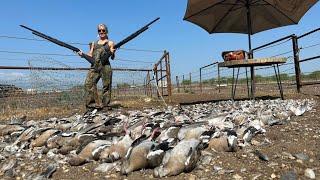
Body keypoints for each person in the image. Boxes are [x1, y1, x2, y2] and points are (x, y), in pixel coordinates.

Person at [78, 23, 116, 110]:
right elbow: (90, 55)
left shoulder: (110, 43)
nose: (101, 32)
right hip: (94, 66)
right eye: (99, 30)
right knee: (88, 84)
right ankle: (92, 105)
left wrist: (112, 52)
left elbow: (113, 57)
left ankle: (105, 105)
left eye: (103, 30)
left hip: (105, 66)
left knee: (106, 86)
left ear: (106, 31)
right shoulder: (93, 43)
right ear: (98, 32)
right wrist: (82, 54)